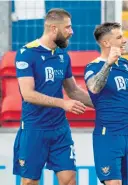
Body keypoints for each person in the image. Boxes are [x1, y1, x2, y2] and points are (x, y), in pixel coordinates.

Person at [13, 8, 93, 185]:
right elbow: (28, 94)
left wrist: (102, 105)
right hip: (34, 128)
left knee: (69, 179)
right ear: (54, 29)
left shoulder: (63, 55)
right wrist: (62, 103)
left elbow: (73, 91)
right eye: (68, 28)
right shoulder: (27, 53)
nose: (71, 32)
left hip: (59, 129)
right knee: (29, 182)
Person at [84, 22, 128, 185]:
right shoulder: (93, 66)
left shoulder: (126, 65)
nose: (125, 40)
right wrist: (108, 64)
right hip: (108, 135)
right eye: (119, 37)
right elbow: (94, 87)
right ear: (106, 43)